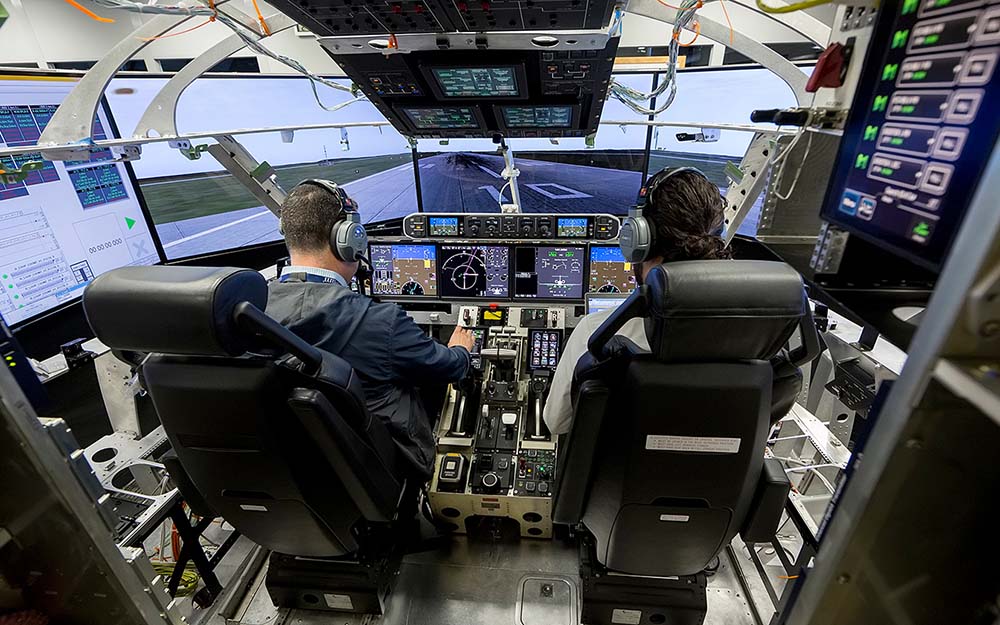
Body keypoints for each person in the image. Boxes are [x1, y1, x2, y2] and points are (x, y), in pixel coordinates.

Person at [266, 179, 475, 481]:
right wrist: (461, 350)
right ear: (348, 239)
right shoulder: (379, 320)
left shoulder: (251, 310)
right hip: (380, 464)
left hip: (298, 466)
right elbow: (447, 368)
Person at [543, 168, 731, 436]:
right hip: (712, 477)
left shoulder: (597, 334)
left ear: (639, 239)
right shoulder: (754, 334)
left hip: (614, 477)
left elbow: (556, 422)